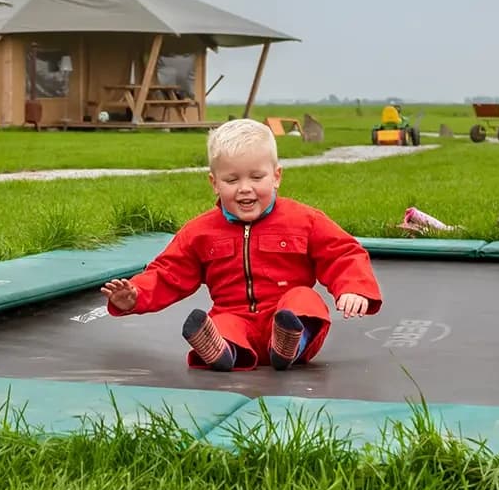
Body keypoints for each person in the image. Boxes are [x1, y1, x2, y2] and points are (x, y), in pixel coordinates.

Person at [99, 118, 382, 371]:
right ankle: (224, 352)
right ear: (214, 183)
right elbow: (169, 272)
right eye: (232, 180)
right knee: (220, 324)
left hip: (285, 315)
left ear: (277, 177)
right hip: (235, 316)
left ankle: (289, 345)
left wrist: (354, 288)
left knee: (304, 300)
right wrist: (135, 295)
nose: (245, 188)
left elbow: (342, 253)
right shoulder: (200, 231)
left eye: (256, 177)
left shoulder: (303, 220)